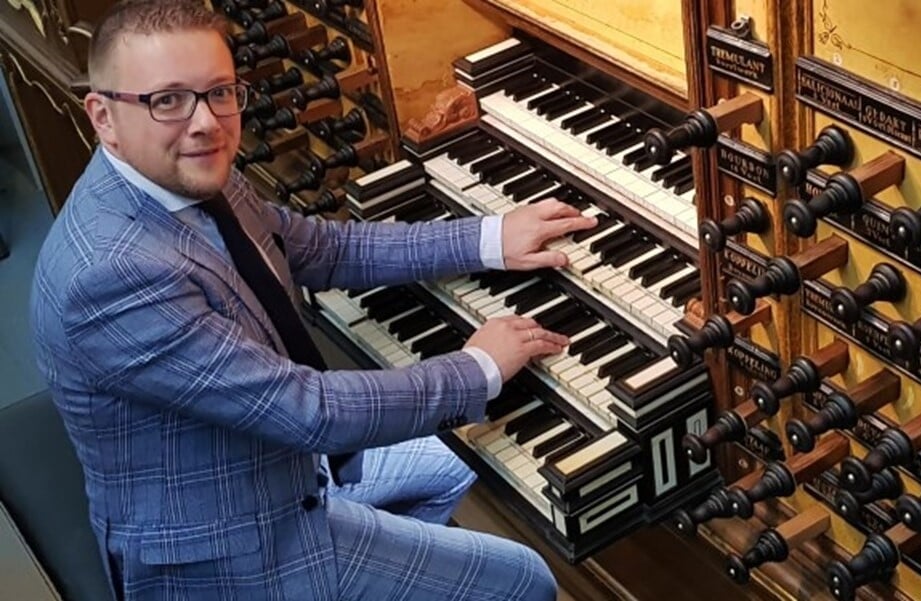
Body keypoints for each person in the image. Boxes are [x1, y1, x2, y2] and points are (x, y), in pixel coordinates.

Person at [29, 1, 597, 599]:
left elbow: (321, 248)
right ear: (104, 116)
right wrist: (476, 368)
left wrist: (488, 237)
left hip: (284, 466)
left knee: (467, 460)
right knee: (523, 580)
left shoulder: (185, 172)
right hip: (231, 551)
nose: (206, 122)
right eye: (167, 100)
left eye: (219, 91)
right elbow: (310, 411)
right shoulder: (113, 276)